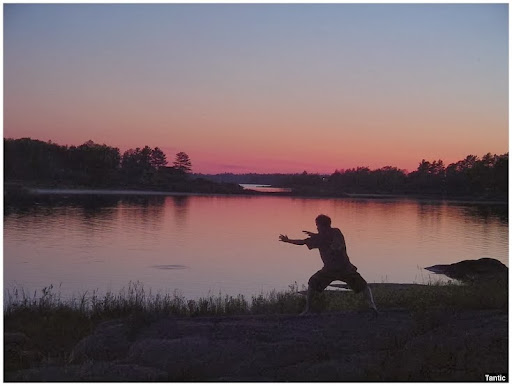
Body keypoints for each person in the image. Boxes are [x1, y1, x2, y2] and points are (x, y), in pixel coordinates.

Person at [279, 214, 378, 315]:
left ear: (324, 226)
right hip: (329, 270)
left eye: (318, 225)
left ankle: (372, 306)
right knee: (312, 282)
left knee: (363, 285)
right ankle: (308, 309)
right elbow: (302, 242)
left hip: (344, 268)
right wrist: (288, 240)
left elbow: (336, 243)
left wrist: (320, 238)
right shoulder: (321, 237)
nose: (317, 228)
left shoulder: (335, 232)